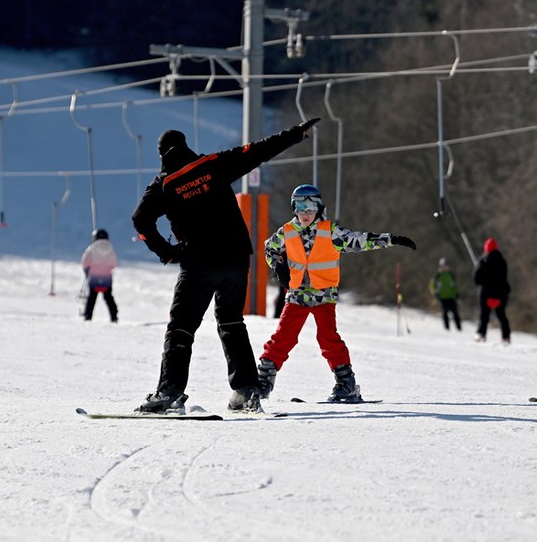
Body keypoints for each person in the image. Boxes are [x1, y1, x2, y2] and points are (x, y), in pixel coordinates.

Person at [131, 118, 320, 414]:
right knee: (232, 321)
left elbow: (140, 220)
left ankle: (169, 392)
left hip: (199, 262)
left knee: (181, 326)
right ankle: (246, 391)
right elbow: (257, 151)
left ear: (161, 155)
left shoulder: (164, 185)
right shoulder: (213, 165)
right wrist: (296, 134)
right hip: (236, 258)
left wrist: (166, 252)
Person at [255, 184, 417, 402]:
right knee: (283, 337)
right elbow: (269, 248)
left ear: (320, 208)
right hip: (297, 295)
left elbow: (360, 240)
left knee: (328, 338)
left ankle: (346, 384)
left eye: (310, 208)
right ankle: (263, 380)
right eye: (300, 207)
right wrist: (278, 266)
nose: (305, 213)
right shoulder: (287, 231)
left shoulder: (330, 232)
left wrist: (391, 239)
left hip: (323, 296)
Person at [473, 237, 511, 343]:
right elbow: (503, 277)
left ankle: (481, 334)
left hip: (485, 294)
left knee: (484, 315)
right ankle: (506, 337)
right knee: (502, 315)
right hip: (501, 293)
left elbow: (476, 279)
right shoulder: (502, 261)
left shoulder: (482, 261)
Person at [81, 228, 119, 322]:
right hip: (107, 279)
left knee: (92, 298)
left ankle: (88, 316)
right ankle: (114, 316)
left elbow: (84, 262)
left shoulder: (91, 248)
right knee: (109, 298)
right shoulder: (111, 248)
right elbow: (114, 263)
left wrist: (87, 272)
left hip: (93, 278)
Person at [429, 257, 461, 331]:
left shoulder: (451, 275)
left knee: (455, 312)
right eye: (445, 266)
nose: (447, 267)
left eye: (448, 266)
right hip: (442, 297)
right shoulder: (438, 275)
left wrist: (456, 293)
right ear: (442, 266)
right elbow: (432, 285)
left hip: (451, 297)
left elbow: (455, 285)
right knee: (445, 312)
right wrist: (435, 293)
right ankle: (447, 328)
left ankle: (459, 328)